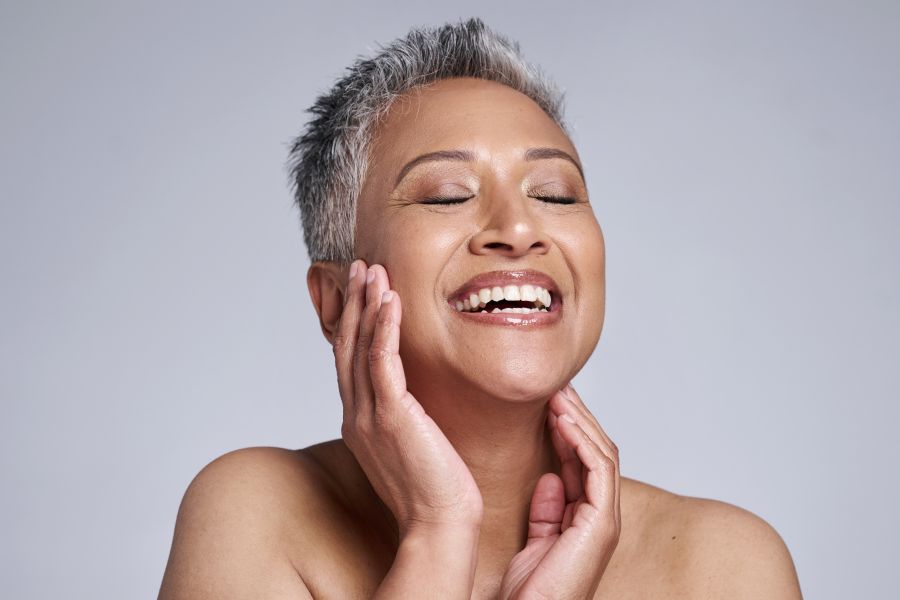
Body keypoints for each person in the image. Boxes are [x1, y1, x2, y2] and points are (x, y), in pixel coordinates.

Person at [158, 17, 803, 599]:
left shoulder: (728, 567)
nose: (519, 229)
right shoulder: (254, 513)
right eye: (444, 196)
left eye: (554, 194)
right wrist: (436, 534)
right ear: (333, 300)